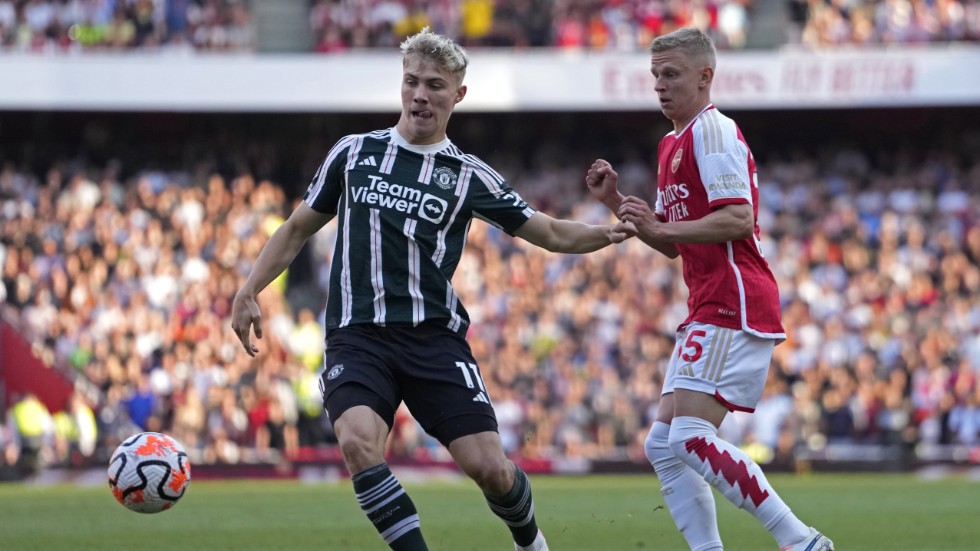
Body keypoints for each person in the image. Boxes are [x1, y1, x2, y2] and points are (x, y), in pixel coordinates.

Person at [231, 27, 629, 551]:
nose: (420, 94)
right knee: (357, 443)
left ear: (457, 95)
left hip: (433, 340)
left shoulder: (468, 176)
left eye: (435, 85)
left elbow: (549, 232)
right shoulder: (354, 154)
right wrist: (249, 288)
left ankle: (531, 543)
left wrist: (612, 229)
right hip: (357, 335)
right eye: (412, 82)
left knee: (490, 469)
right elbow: (296, 228)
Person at [586, 28, 834, 551]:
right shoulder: (671, 142)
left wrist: (660, 228)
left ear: (705, 77)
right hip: (707, 302)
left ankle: (802, 541)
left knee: (689, 437)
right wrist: (619, 206)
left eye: (671, 74)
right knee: (663, 443)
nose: (659, 84)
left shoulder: (712, 131)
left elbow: (738, 219)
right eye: (655, 74)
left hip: (734, 298)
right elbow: (676, 245)